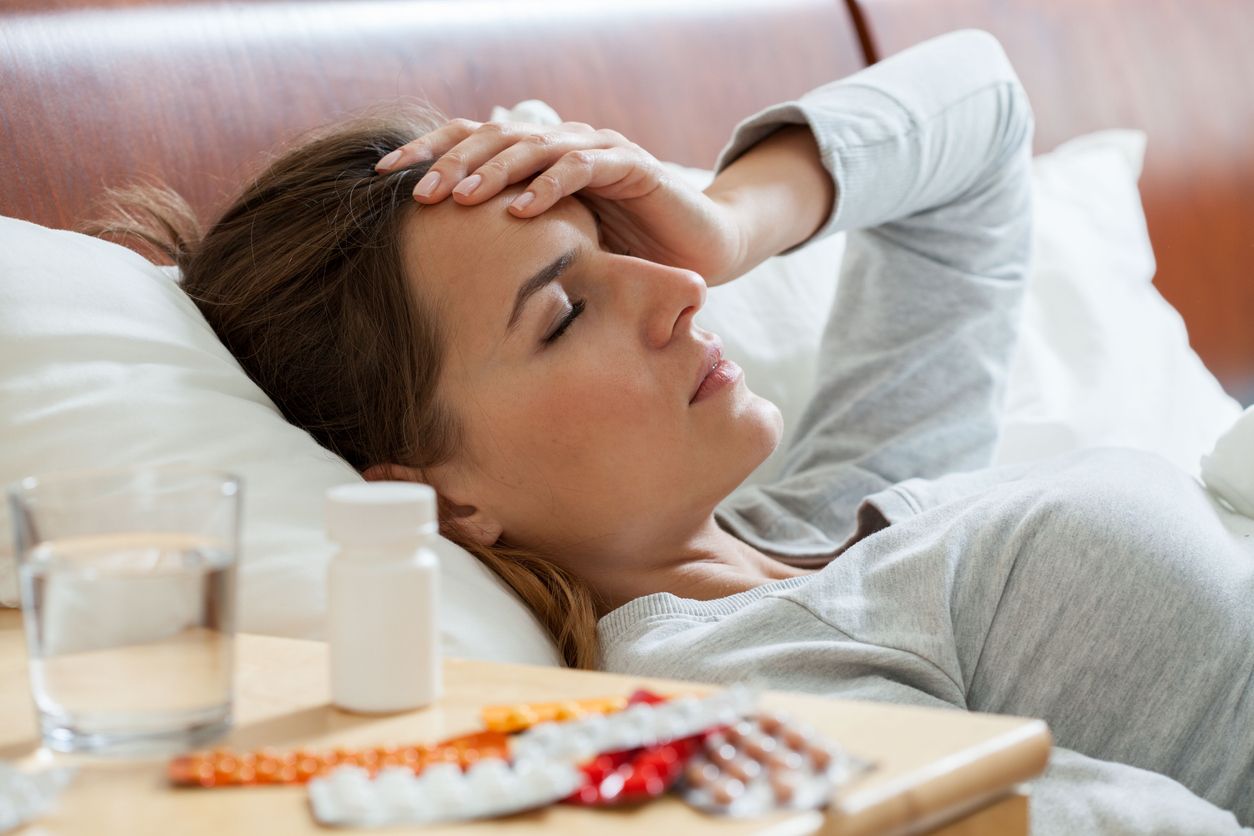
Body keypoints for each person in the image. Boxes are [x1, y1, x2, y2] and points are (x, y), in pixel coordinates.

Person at [93, 28, 1252, 835]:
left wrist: (730, 218)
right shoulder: (743, 698)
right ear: (439, 500)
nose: (681, 290)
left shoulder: (828, 507)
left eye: (616, 245)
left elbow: (980, 109)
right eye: (564, 312)